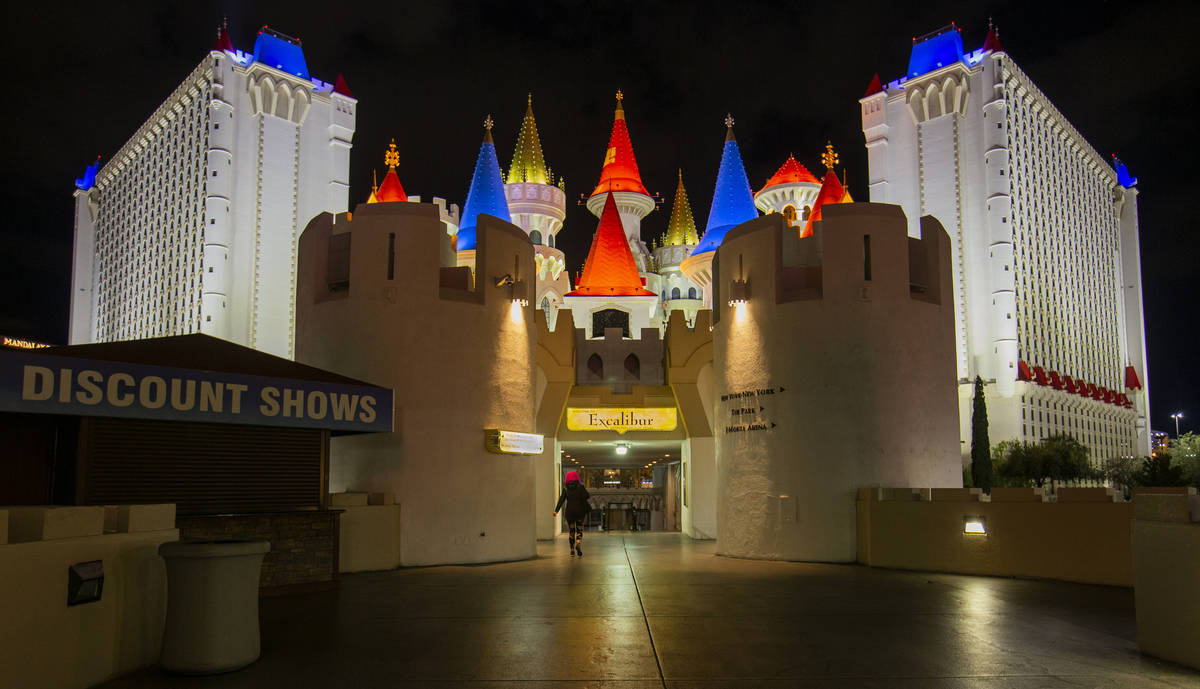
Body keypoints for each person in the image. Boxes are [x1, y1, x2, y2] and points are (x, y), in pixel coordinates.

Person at [553, 470, 591, 557]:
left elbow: (561, 500)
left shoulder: (566, 489)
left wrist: (556, 511)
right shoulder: (581, 487)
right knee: (579, 530)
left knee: (571, 531)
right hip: (580, 512)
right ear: (576, 478)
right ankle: (578, 543)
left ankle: (572, 550)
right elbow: (587, 496)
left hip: (570, 513)